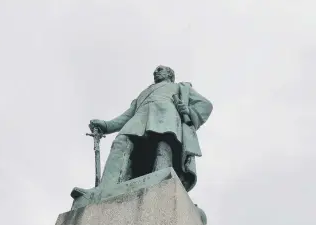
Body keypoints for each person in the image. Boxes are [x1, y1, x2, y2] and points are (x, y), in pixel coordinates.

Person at [71, 65, 213, 199]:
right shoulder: (143, 93)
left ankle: (160, 180)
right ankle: (105, 188)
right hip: (139, 119)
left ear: (170, 74)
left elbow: (205, 105)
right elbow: (128, 115)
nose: (155, 72)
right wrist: (107, 126)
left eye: (160, 70)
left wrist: (189, 111)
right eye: (155, 71)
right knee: (121, 143)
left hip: (166, 116)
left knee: (163, 145)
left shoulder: (180, 87)